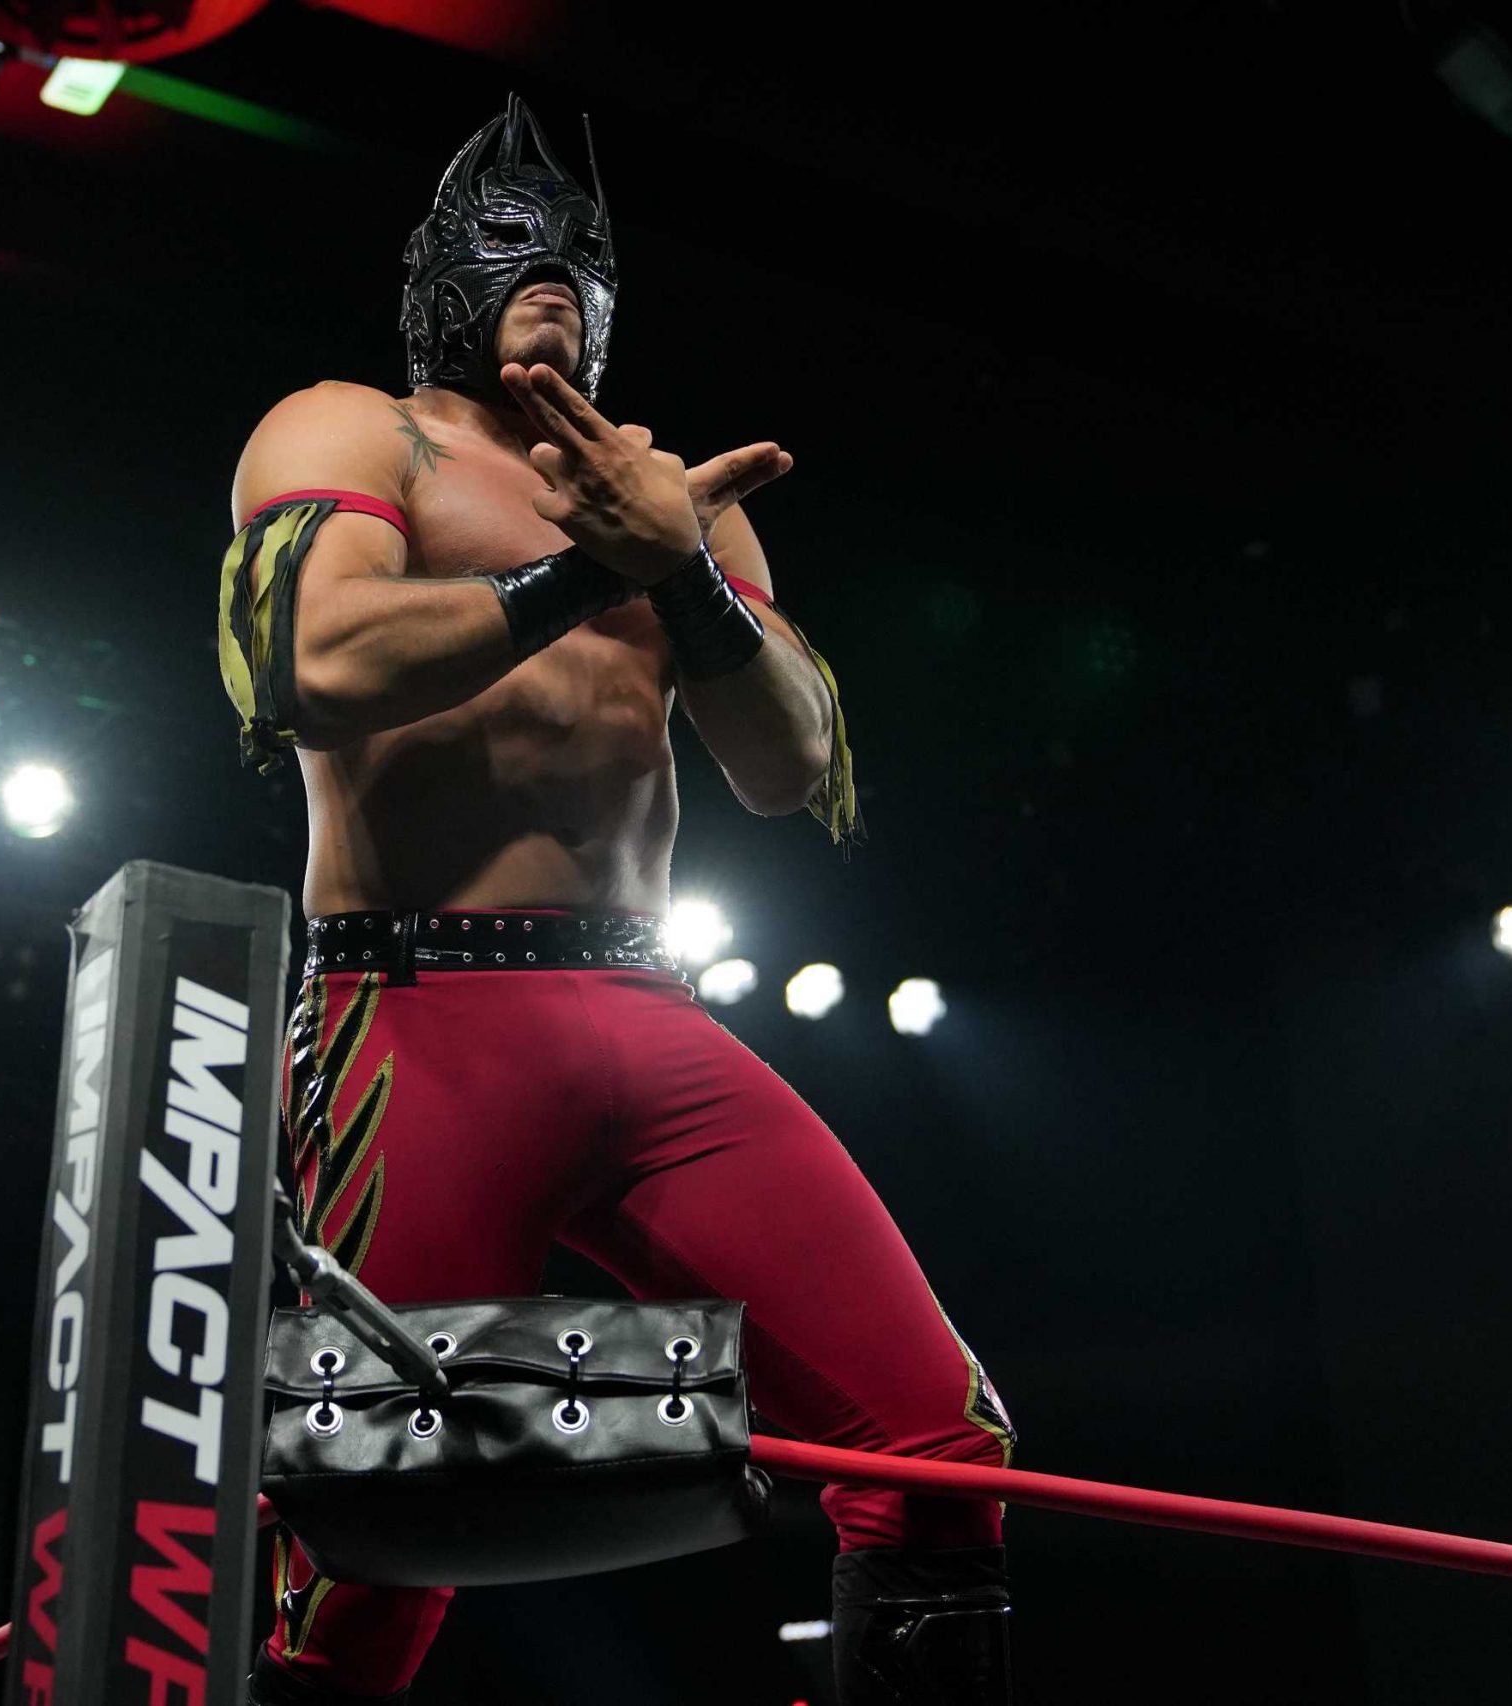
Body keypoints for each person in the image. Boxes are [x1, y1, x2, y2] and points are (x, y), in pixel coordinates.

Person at [217, 95, 1015, 1706]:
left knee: (941, 1441)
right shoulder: (355, 430)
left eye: (583, 259)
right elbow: (315, 664)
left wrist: (677, 564)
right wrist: (597, 567)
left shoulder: (681, 497)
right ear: (440, 276)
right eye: (516, 247)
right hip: (418, 1010)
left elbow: (792, 761)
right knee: (375, 1524)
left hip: (650, 1017)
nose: (557, 273)